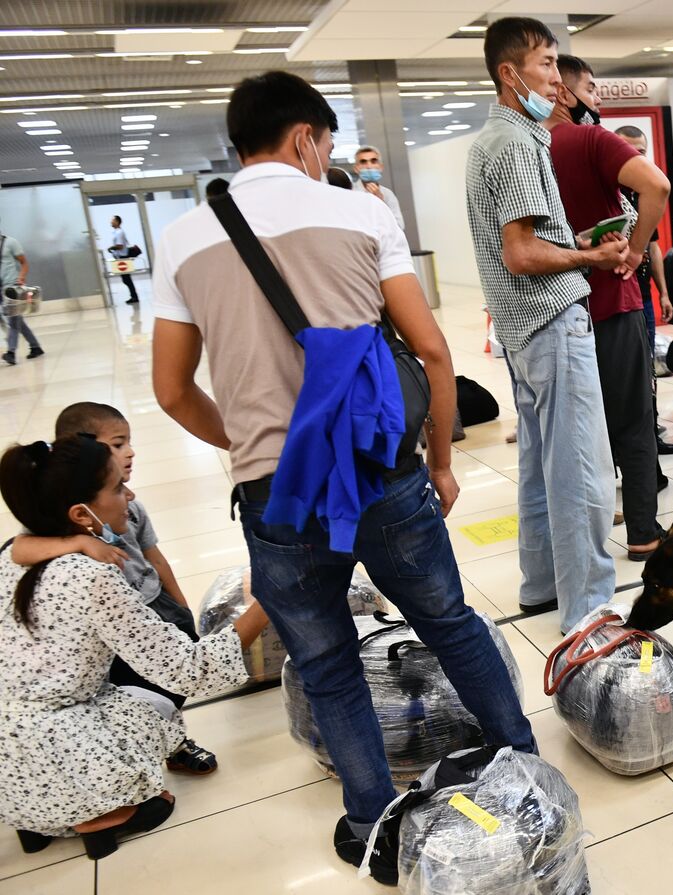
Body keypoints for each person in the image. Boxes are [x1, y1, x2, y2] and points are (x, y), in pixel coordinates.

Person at [151, 69, 537, 886]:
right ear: (305, 139)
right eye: (325, 143)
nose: (327, 154)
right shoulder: (362, 211)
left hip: (278, 496)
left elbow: (173, 389)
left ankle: (372, 821)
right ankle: (522, 768)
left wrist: (256, 446)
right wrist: (440, 459)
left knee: (325, 662)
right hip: (383, 475)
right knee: (449, 620)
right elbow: (432, 351)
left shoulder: (184, 236)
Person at [0, 435, 268, 859]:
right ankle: (98, 815)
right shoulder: (93, 578)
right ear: (80, 514)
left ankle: (34, 820)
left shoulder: (14, 556)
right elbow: (189, 670)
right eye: (115, 487)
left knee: (120, 700)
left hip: (8, 764)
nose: (130, 494)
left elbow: (17, 546)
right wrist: (272, 597)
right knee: (151, 710)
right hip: (55, 747)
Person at [463, 20, 626, 634]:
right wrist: (590, 258)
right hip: (552, 319)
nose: (558, 79)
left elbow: (531, 241)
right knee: (580, 464)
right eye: (548, 65)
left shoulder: (493, 140)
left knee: (539, 461)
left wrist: (577, 241)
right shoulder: (517, 144)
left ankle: (541, 585)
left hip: (520, 326)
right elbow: (523, 254)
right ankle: (589, 606)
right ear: (511, 74)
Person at [12, 402, 217, 774]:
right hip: (113, 630)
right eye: (117, 444)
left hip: (156, 606)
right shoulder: (64, 526)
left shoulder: (127, 507)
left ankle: (171, 735)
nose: (130, 452)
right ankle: (162, 744)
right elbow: (18, 548)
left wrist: (181, 607)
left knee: (172, 683)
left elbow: (157, 559)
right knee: (137, 688)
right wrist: (78, 542)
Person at [548, 53, 671, 561]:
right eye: (593, 90)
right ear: (564, 91)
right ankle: (643, 531)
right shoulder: (589, 139)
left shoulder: (525, 149)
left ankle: (589, 533)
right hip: (610, 303)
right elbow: (657, 187)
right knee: (633, 420)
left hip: (554, 307)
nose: (597, 100)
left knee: (577, 431)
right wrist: (637, 248)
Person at [614, 125, 673, 458]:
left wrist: (663, 293)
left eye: (641, 151)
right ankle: (631, 446)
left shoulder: (645, 195)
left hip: (642, 293)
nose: (635, 156)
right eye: (628, 149)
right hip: (616, 296)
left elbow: (653, 248)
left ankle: (651, 435)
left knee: (649, 370)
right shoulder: (607, 192)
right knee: (628, 373)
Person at [0, 225, 42, 365]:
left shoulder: (10, 242)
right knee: (18, 321)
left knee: (13, 320)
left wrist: (22, 277)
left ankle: (11, 353)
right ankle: (35, 347)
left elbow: (24, 262)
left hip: (12, 287)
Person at [352, 146, 406, 229]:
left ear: (381, 167)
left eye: (373, 161)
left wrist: (381, 203)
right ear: (356, 168)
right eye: (363, 162)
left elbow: (399, 226)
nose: (369, 166)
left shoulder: (387, 194)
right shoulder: (349, 192)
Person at [108, 216, 140, 305]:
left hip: (123, 258)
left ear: (117, 222)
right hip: (120, 257)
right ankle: (134, 296)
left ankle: (134, 297)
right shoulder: (116, 232)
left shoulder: (119, 233)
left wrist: (111, 248)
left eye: (112, 220)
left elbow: (120, 246)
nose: (111, 222)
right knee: (126, 279)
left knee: (127, 279)